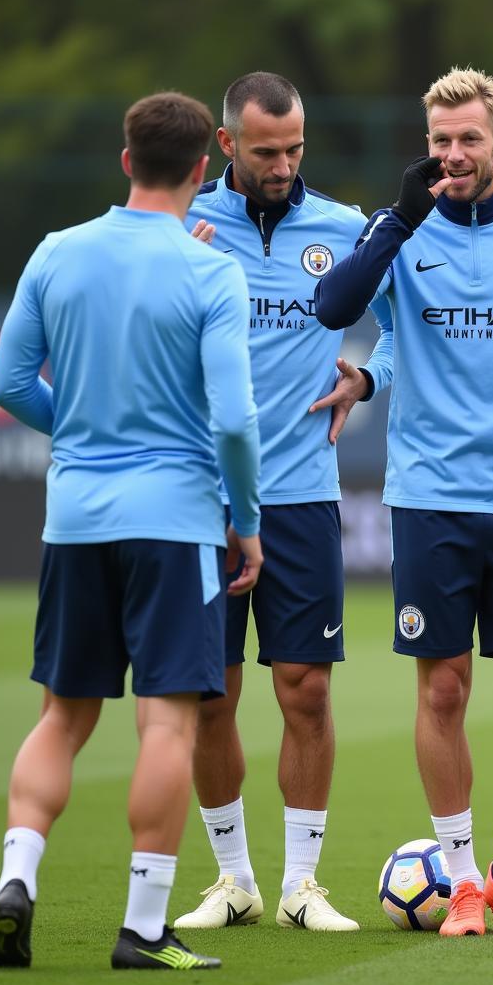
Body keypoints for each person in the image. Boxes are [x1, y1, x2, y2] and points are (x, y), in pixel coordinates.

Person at [315, 67, 493, 937]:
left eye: (469, 139)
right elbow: (333, 304)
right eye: (440, 140)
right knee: (441, 690)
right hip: (431, 499)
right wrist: (402, 217)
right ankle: (461, 882)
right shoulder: (397, 230)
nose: (452, 155)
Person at [0, 91, 263, 971]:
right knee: (168, 725)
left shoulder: (57, 252)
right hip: (174, 523)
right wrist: (245, 522)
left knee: (63, 716)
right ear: (205, 170)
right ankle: (143, 928)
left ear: (125, 159)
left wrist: (82, 428)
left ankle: (16, 876)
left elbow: (8, 383)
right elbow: (232, 423)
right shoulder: (210, 271)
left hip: (74, 520)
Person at [172, 71, 391, 934]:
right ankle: (234, 881)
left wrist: (368, 376)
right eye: (266, 151)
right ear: (226, 145)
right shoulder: (184, 227)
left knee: (305, 690)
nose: (283, 164)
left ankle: (302, 885)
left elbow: (409, 323)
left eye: (295, 148)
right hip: (200, 497)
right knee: (210, 697)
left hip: (302, 495)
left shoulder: (342, 229)